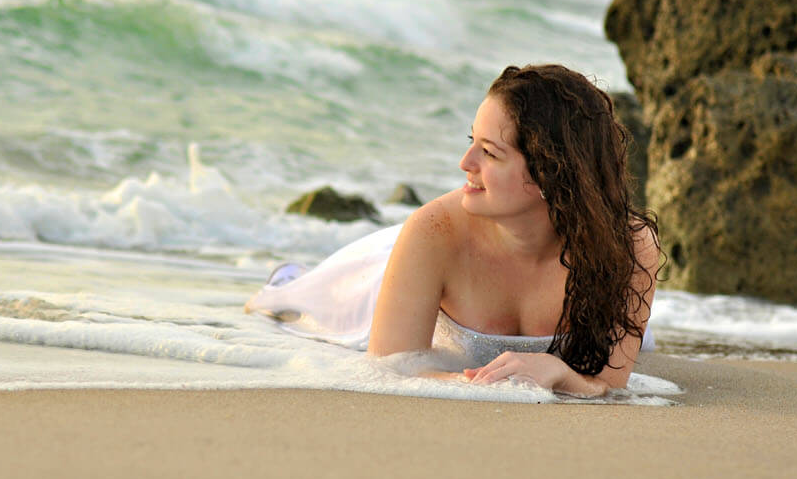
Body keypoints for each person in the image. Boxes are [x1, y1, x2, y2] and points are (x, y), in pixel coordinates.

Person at [247, 64, 661, 397]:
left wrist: (560, 373)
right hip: (385, 280)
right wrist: (503, 384)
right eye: (471, 141)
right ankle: (290, 278)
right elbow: (389, 370)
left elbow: (608, 385)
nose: (465, 162)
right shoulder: (434, 227)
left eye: (490, 152)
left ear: (552, 173)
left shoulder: (628, 246)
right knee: (290, 302)